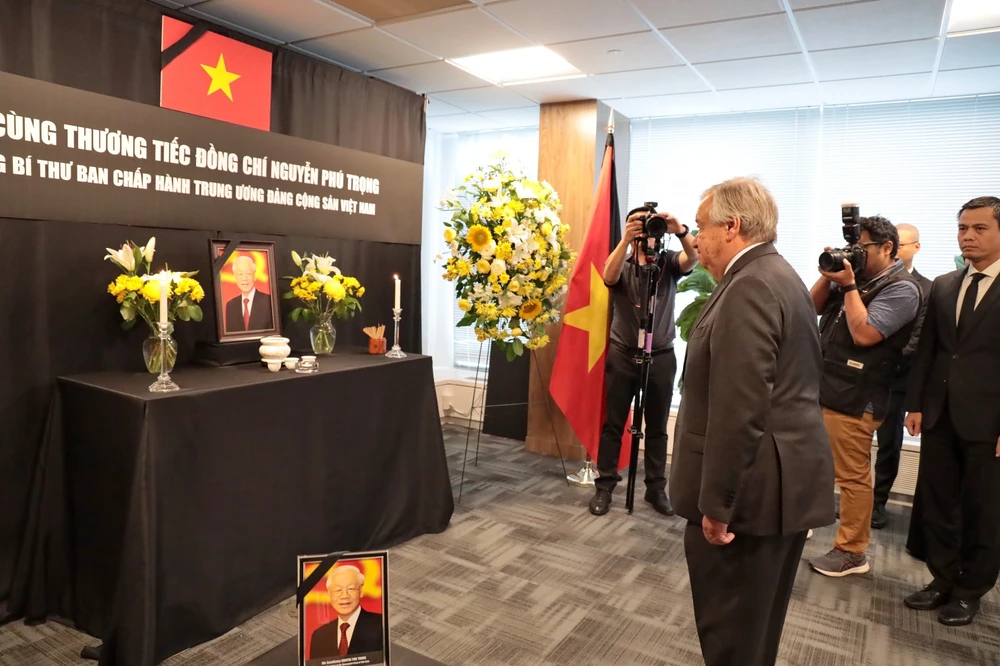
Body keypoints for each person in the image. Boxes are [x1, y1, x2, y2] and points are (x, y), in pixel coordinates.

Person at [670, 177, 834, 666]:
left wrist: (719, 505)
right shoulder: (777, 274)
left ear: (732, 226)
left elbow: (740, 408)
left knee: (732, 635)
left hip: (749, 497)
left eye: (701, 227)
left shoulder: (750, 286)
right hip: (773, 487)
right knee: (753, 629)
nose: (696, 239)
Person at [902, 196, 1000, 627]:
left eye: (979, 228)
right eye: (963, 228)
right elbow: (929, 351)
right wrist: (916, 403)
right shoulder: (944, 284)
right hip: (940, 414)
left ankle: (969, 590)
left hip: (989, 421)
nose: (968, 236)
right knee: (938, 502)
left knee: (984, 510)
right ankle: (941, 578)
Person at [808, 215, 920, 578]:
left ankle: (852, 552)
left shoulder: (903, 289)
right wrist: (831, 273)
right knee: (817, 466)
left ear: (888, 248)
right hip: (827, 387)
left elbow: (865, 334)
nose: (856, 254)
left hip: (859, 398)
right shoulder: (856, 278)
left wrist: (851, 285)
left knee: (853, 478)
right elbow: (811, 306)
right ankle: (808, 523)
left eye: (864, 248)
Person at [588, 206, 698, 516]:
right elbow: (607, 277)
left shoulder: (667, 262)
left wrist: (680, 231)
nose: (644, 230)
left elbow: (693, 259)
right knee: (613, 424)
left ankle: (655, 489)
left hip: (660, 354)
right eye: (637, 224)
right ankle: (605, 486)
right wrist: (625, 241)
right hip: (623, 352)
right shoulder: (620, 262)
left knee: (658, 428)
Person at [871, 223, 933, 529]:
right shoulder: (871, 280)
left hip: (896, 378)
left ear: (916, 248)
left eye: (903, 244)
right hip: (862, 377)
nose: (896, 249)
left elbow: (919, 339)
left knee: (889, 443)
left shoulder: (928, 288)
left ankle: (878, 502)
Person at [309, 565, 385, 658]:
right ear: (329, 594)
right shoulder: (319, 635)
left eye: (351, 589)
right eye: (338, 590)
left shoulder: (381, 623)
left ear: (360, 591)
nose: (344, 596)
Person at [224, 254, 274, 332]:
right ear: (235, 277)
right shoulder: (231, 305)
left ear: (254, 276)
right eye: (240, 274)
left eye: (248, 273)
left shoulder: (269, 301)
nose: (244, 278)